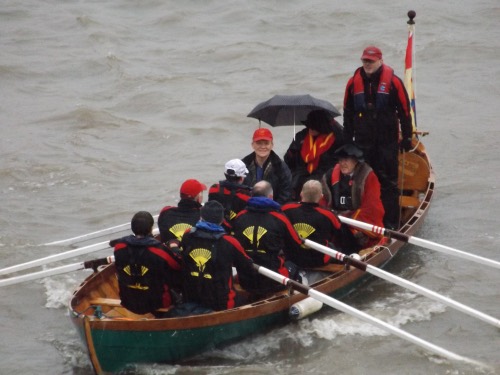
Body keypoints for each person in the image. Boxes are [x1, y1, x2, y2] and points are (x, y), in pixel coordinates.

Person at [343, 46, 413, 229]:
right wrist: (347, 141)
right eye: (365, 61)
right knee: (362, 182)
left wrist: (407, 137)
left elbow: (405, 112)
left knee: (388, 184)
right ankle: (363, 222)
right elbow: (348, 113)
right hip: (363, 143)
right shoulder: (353, 83)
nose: (367, 64)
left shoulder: (394, 83)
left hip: (387, 143)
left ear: (380, 61)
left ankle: (390, 225)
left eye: (371, 61)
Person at [180, 201, 257, 311]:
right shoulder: (230, 242)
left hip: (191, 298)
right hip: (221, 303)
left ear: (201, 216)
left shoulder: (187, 234)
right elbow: (248, 267)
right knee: (249, 297)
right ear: (222, 220)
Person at [231, 180, 303, 295]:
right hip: (274, 280)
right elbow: (296, 243)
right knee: (293, 265)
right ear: (270, 197)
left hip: (246, 279)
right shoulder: (280, 218)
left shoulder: (239, 217)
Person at [112, 211, 182, 315]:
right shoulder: (159, 250)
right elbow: (178, 265)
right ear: (151, 228)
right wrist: (174, 248)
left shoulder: (119, 247)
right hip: (157, 303)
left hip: (128, 301)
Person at [282, 180, 358, 268]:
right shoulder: (329, 215)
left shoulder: (286, 209)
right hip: (319, 260)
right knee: (337, 244)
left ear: (301, 193)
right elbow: (342, 235)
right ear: (321, 196)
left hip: (291, 257)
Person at [322, 143, 385, 250]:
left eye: (346, 160)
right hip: (334, 218)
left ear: (356, 161)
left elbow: (372, 207)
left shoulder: (368, 177)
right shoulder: (330, 175)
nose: (342, 163)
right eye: (340, 160)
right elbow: (322, 201)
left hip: (355, 222)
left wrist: (347, 220)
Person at [284, 109, 344, 200]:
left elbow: (336, 163)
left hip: (323, 174)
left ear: (321, 127)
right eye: (309, 126)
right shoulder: (300, 136)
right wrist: (292, 152)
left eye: (314, 127)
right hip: (300, 174)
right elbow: (288, 162)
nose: (310, 129)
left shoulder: (336, 139)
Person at [241, 127, 293, 205]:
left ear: (272, 145)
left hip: (273, 208)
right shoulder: (243, 164)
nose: (263, 147)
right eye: (259, 143)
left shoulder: (281, 167)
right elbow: (238, 188)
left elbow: (286, 193)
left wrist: (273, 208)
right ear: (252, 145)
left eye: (266, 143)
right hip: (248, 207)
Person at [158, 178, 206, 246]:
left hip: (169, 254)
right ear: (198, 197)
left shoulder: (165, 213)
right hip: (192, 255)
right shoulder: (203, 216)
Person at [208, 159, 252, 228]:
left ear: (225, 174)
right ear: (241, 178)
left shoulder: (214, 189)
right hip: (236, 230)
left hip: (214, 226)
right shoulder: (246, 196)